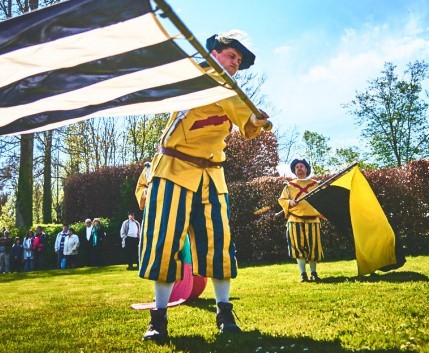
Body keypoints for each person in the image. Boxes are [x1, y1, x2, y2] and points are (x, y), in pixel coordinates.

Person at [137, 31, 269, 341]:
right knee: (164, 243)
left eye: (239, 60)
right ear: (214, 53)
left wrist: (257, 120)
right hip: (173, 171)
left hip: (212, 176)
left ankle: (224, 312)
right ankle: (159, 319)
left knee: (219, 244)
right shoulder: (193, 77)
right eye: (231, 55)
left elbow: (246, 119)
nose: (235, 63)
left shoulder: (229, 90)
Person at [278, 159, 325, 282]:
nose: (299, 168)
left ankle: (313, 273)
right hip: (295, 220)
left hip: (313, 220)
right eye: (297, 167)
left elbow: (323, 201)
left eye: (302, 166)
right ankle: (303, 274)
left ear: (306, 169)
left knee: (313, 247)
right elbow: (282, 200)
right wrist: (289, 202)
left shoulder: (316, 184)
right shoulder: (288, 186)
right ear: (294, 170)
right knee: (298, 247)